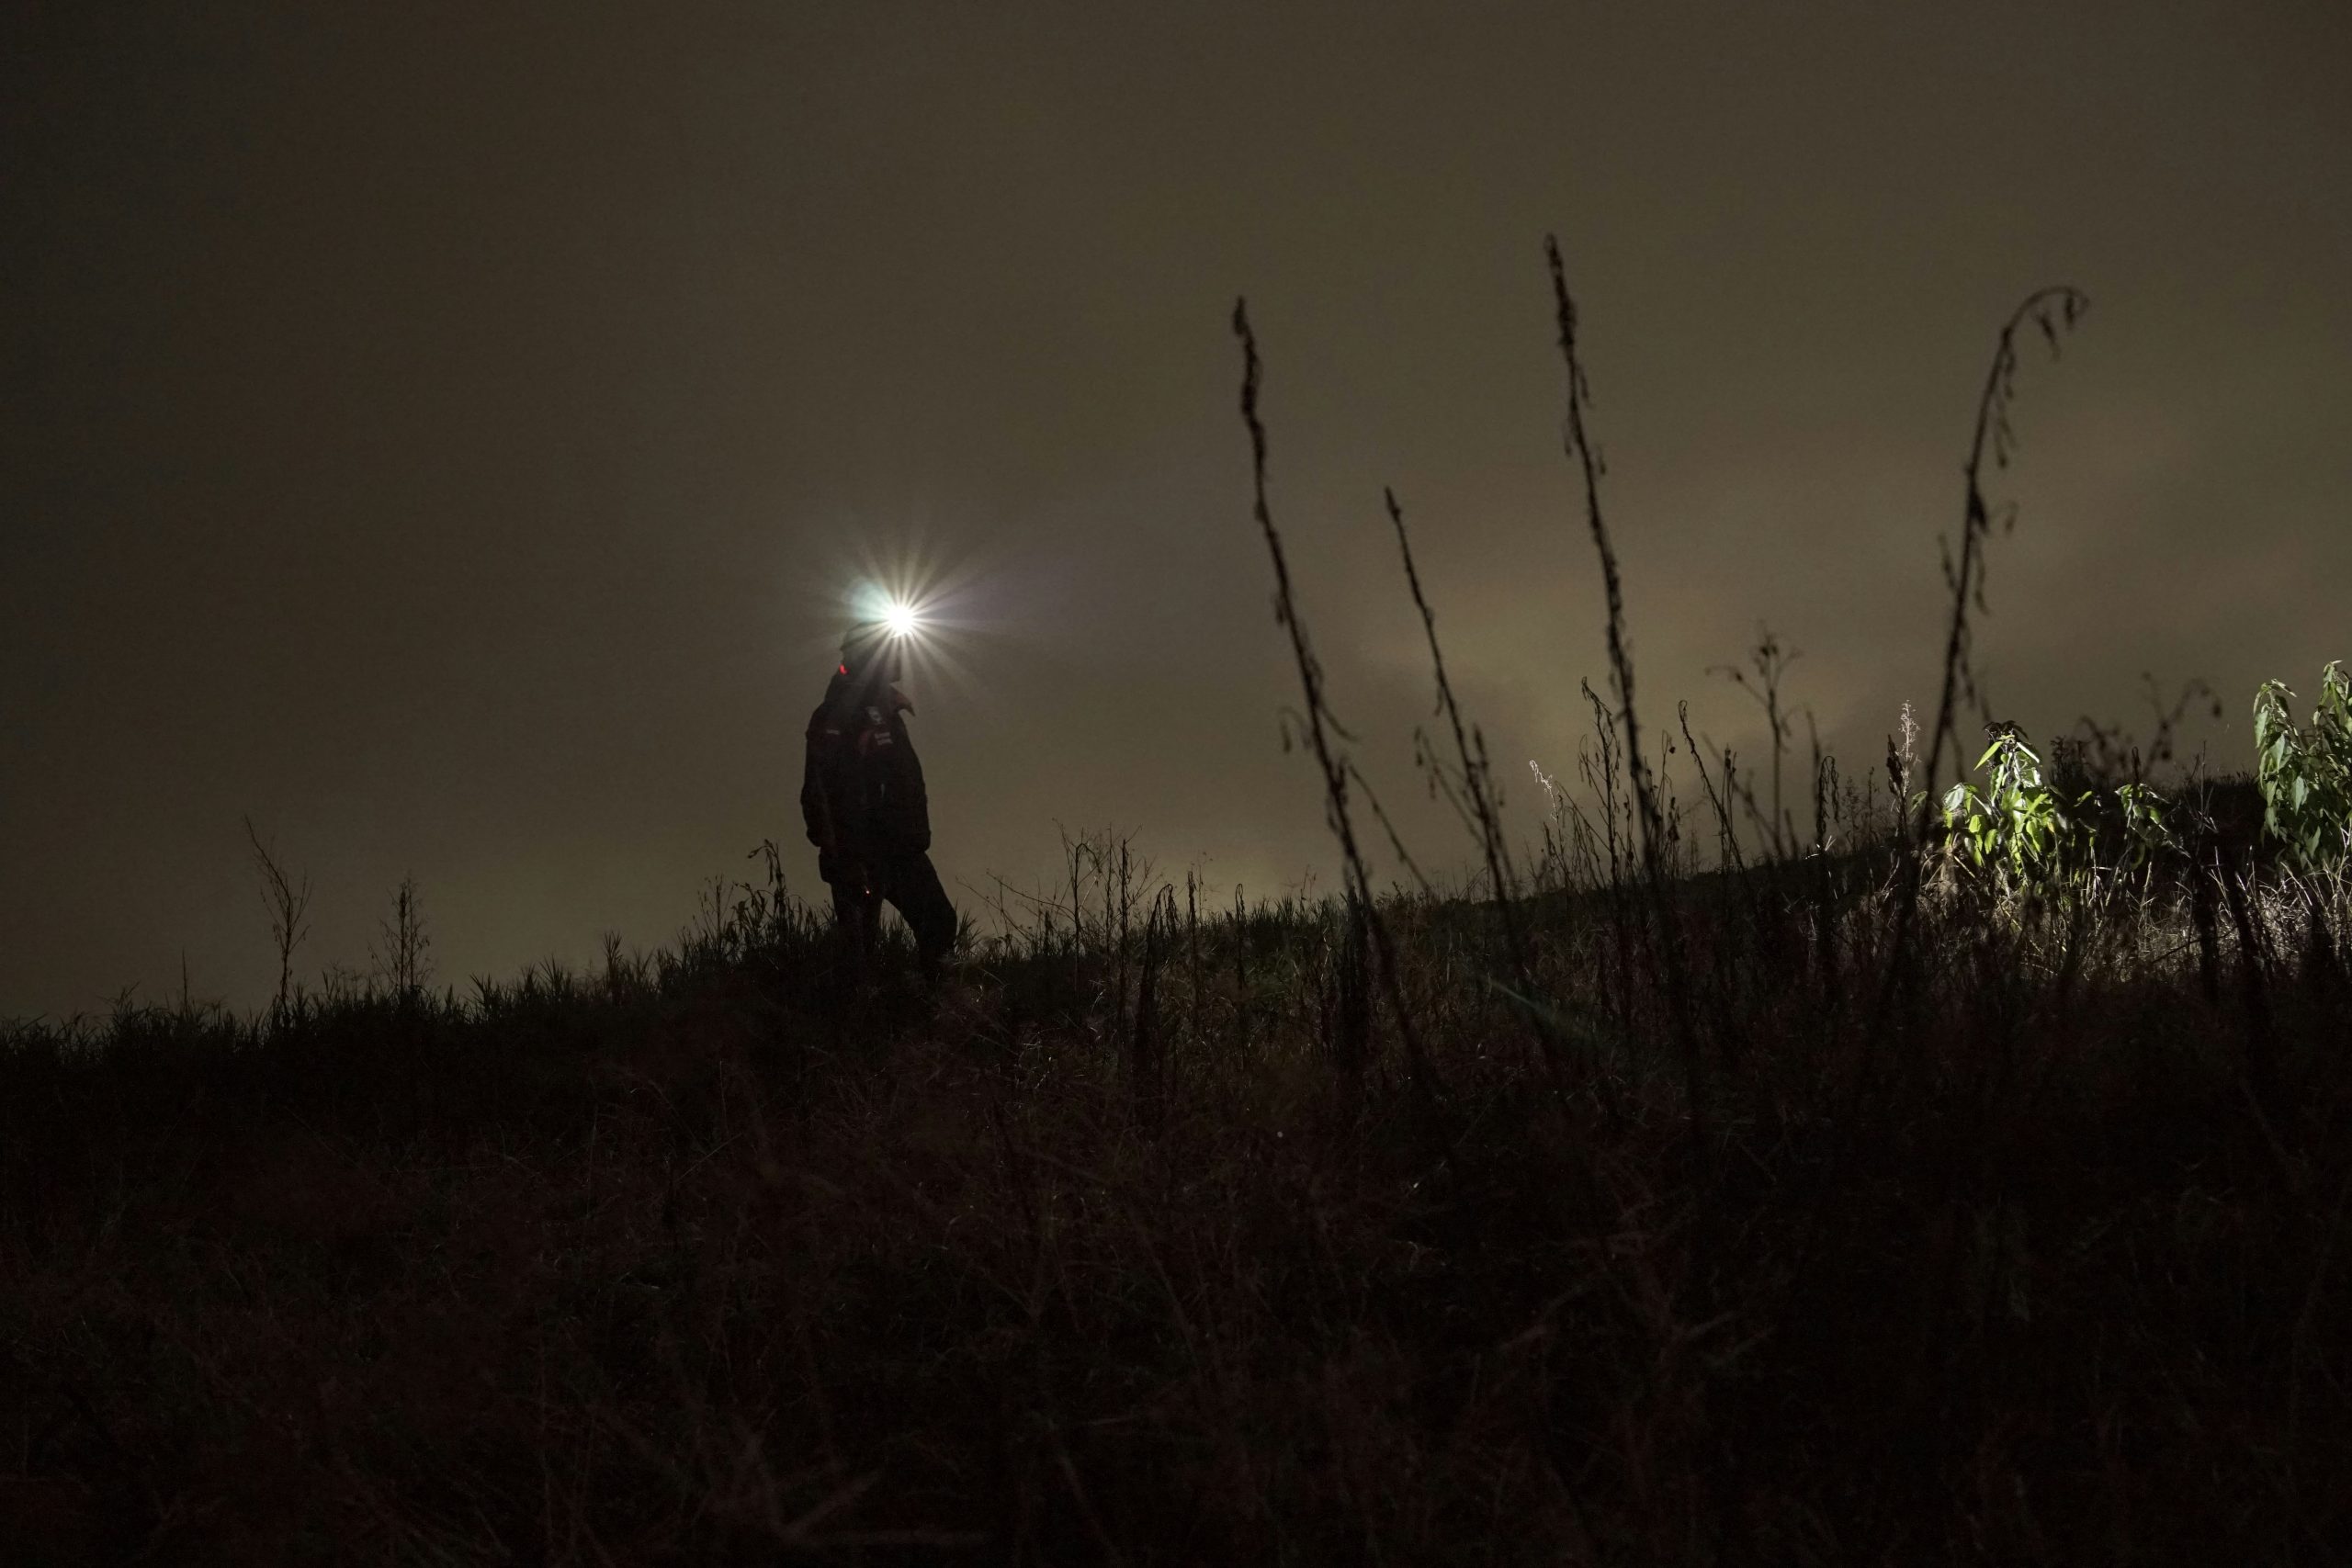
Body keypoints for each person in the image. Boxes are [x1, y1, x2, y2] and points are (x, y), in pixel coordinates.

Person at [801, 620, 958, 977]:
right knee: (858, 955)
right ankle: (856, 1012)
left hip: (900, 848)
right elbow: (819, 789)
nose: (897, 657)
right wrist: (840, 854)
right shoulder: (837, 715)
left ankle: (932, 1003)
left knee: (938, 923)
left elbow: (901, 780)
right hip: (859, 854)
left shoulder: (884, 709)